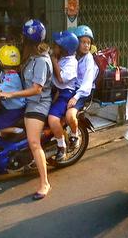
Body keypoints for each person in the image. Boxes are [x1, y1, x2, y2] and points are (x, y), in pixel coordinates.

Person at [0, 19, 53, 200]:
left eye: (23, 38)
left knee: (34, 142)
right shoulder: (30, 56)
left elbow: (37, 89)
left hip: (38, 102)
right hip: (26, 100)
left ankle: (45, 183)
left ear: (28, 41)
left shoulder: (41, 61)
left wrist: (11, 95)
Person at [66, 25, 98, 150]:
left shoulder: (88, 59)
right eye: (83, 42)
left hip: (83, 92)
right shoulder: (73, 56)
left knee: (69, 115)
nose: (86, 45)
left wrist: (76, 97)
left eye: (88, 43)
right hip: (72, 89)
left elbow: (87, 83)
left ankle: (75, 135)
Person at [48, 30, 79, 161]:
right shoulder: (62, 58)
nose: (54, 47)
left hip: (65, 94)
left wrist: (54, 60)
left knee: (52, 118)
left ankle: (62, 147)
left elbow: (61, 79)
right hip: (54, 91)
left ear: (64, 50)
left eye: (56, 46)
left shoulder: (72, 63)